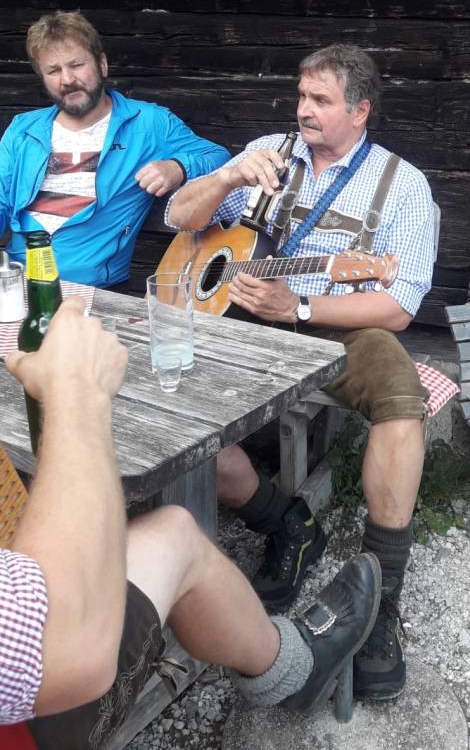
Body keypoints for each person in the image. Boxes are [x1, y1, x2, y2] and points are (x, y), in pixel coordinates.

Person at [166, 43, 436, 701]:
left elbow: (400, 304)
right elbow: (179, 215)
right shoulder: (267, 151)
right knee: (169, 401)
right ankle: (285, 519)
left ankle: (383, 597)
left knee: (401, 399)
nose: (303, 110)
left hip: (335, 317)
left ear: (360, 110)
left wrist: (303, 306)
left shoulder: (403, 184)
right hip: (237, 311)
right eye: (301, 96)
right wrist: (229, 179)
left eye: (320, 100)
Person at [0, 298, 380, 749]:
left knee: (186, 482)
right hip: (30, 718)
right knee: (175, 534)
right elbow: (59, 646)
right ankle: (300, 670)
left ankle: (286, 524)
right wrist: (77, 393)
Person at [0, 11, 230, 289]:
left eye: (76, 65)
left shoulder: (148, 123)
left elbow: (218, 157)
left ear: (102, 65)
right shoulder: (23, 130)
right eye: (54, 71)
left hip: (92, 290)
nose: (67, 79)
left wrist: (178, 167)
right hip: (17, 282)